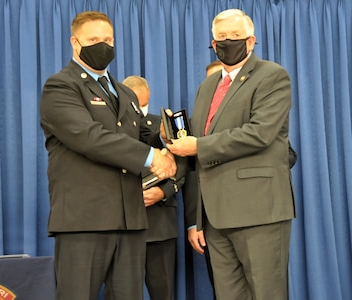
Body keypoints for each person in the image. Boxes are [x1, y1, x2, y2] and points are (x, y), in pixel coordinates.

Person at [39, 11, 177, 300]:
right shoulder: (61, 86)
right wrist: (153, 156)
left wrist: (165, 142)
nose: (102, 45)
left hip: (131, 220)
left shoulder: (124, 92)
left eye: (108, 39)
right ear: (74, 43)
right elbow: (89, 138)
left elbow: (136, 136)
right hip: (84, 220)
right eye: (93, 39)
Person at [167, 9, 295, 300]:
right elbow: (199, 146)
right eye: (221, 37)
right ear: (212, 44)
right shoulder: (207, 86)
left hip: (258, 210)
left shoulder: (273, 76)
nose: (227, 41)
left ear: (251, 41)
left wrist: (197, 146)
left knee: (267, 293)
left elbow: (259, 133)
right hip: (214, 217)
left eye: (235, 36)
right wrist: (175, 141)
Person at [122, 75, 187, 300]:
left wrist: (163, 192)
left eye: (145, 104)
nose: (141, 111)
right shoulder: (107, 130)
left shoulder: (161, 127)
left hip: (159, 227)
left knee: (163, 292)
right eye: (137, 105)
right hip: (122, 227)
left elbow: (184, 167)